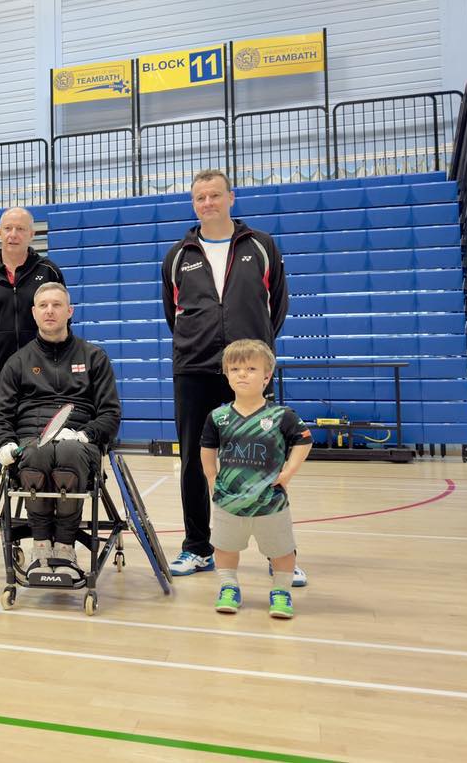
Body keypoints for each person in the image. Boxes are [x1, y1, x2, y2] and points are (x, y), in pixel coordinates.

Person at [161, 170, 304, 585]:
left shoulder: (261, 246)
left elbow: (276, 306)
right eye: (200, 197)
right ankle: (196, 547)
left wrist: (252, 353)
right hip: (194, 369)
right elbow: (175, 316)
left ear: (231, 198)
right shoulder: (177, 256)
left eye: (215, 195)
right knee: (193, 458)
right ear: (194, 204)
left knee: (264, 459)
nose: (208, 203)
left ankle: (281, 555)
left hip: (249, 372)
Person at [0, 283, 121, 580]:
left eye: (57, 305)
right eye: (44, 305)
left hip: (79, 441)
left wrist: (86, 435)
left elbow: (110, 413)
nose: (50, 310)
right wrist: (4, 443)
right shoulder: (17, 362)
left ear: (69, 311)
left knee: (68, 450)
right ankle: (40, 546)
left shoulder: (94, 357)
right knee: (36, 452)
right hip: (30, 440)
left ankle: (64, 548)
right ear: (34, 313)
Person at [201, 339, 312, 619]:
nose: (242, 374)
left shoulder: (280, 415)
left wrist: (288, 473)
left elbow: (303, 440)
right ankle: (229, 587)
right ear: (226, 375)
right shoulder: (219, 416)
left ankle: (281, 592)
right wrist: (212, 478)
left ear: (266, 376)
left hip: (270, 502)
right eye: (235, 368)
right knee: (225, 548)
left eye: (251, 368)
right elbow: (207, 450)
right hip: (230, 500)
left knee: (282, 551)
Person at [0, 207, 66, 495]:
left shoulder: (48, 271)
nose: (13, 234)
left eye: (21, 229)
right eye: (8, 228)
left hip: (41, 379)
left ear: (31, 234)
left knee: (46, 452)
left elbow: (58, 319)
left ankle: (46, 527)